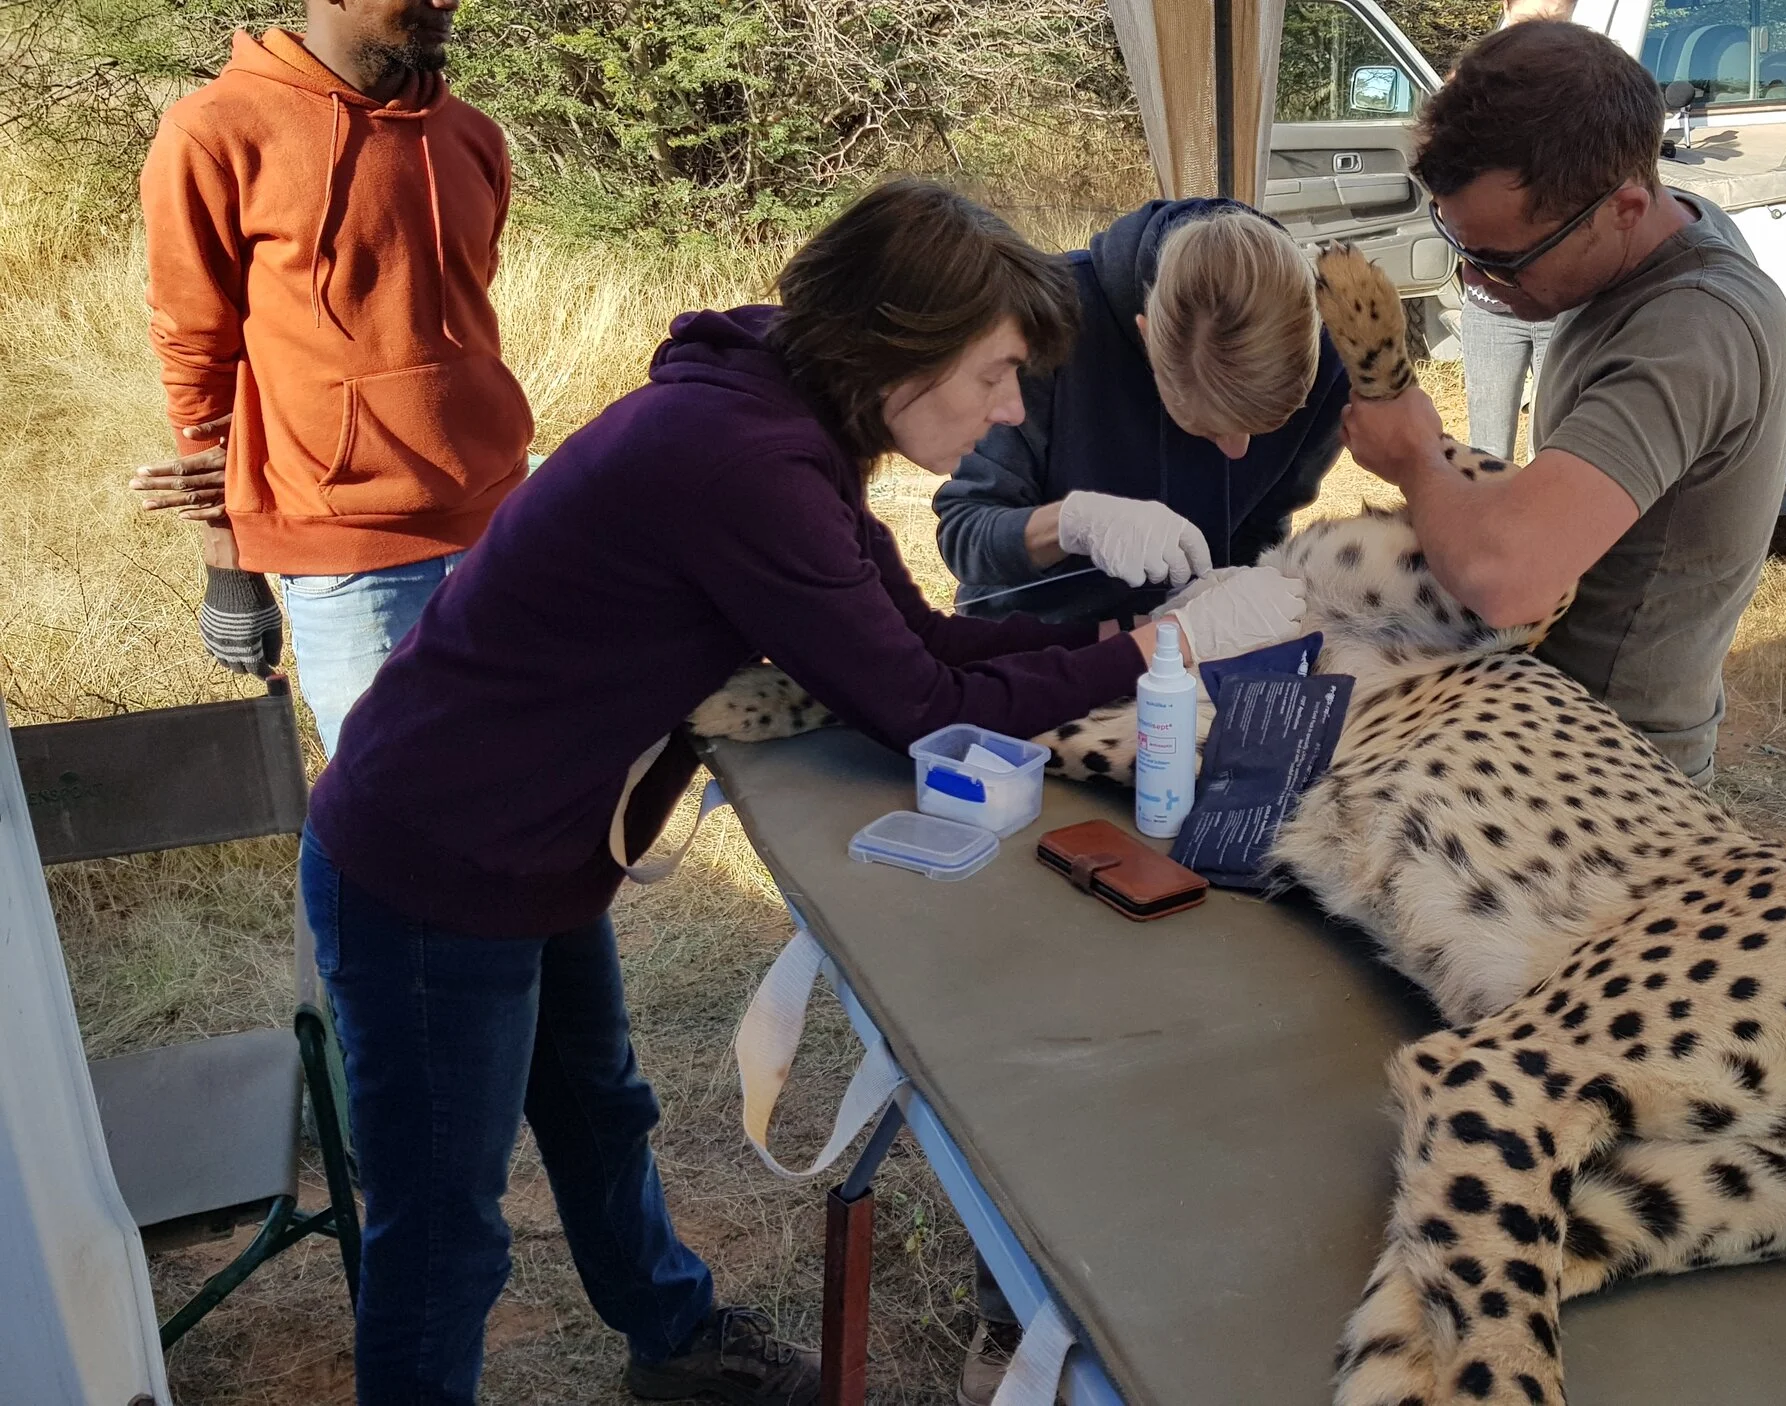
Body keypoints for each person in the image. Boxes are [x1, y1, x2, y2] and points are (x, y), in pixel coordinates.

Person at [298, 180, 1306, 1406]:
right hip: (434, 862)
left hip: (534, 844)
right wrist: (1162, 652)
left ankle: (673, 1343)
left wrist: (1121, 622)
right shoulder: (741, 461)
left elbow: (918, 642)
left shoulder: (782, 420)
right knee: (447, 1228)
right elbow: (926, 711)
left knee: (602, 1111)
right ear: (902, 346)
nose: (1009, 407)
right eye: (993, 374)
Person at [1336, 21, 1786, 787]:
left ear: (1624, 207)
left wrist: (1414, 457)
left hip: (1610, 773)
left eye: (1503, 259)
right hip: (1544, 728)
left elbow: (1509, 577)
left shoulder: (1689, 331)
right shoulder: (1641, 237)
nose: (1475, 285)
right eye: (1460, 245)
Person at [133, 0, 531, 755]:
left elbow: (464, 306)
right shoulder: (216, 131)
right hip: (347, 561)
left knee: (516, 792)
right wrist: (230, 562)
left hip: (498, 531)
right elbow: (195, 349)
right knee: (393, 821)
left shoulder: (472, 135)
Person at [932, 200, 1350, 614]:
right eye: (1205, 427)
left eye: (1266, 427)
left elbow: (1263, 528)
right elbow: (966, 536)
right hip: (1038, 648)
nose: (1238, 451)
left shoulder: (1329, 364)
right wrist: (1070, 525)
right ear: (1147, 339)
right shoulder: (1046, 326)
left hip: (1191, 641)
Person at [1455, 0, 1571, 461]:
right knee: (1485, 451)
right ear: (1507, 9)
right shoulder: (1469, 83)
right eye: (1530, 21)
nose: (1540, 33)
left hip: (1560, 308)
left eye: (1558, 18)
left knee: (1553, 448)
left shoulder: (1579, 88)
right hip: (1489, 311)